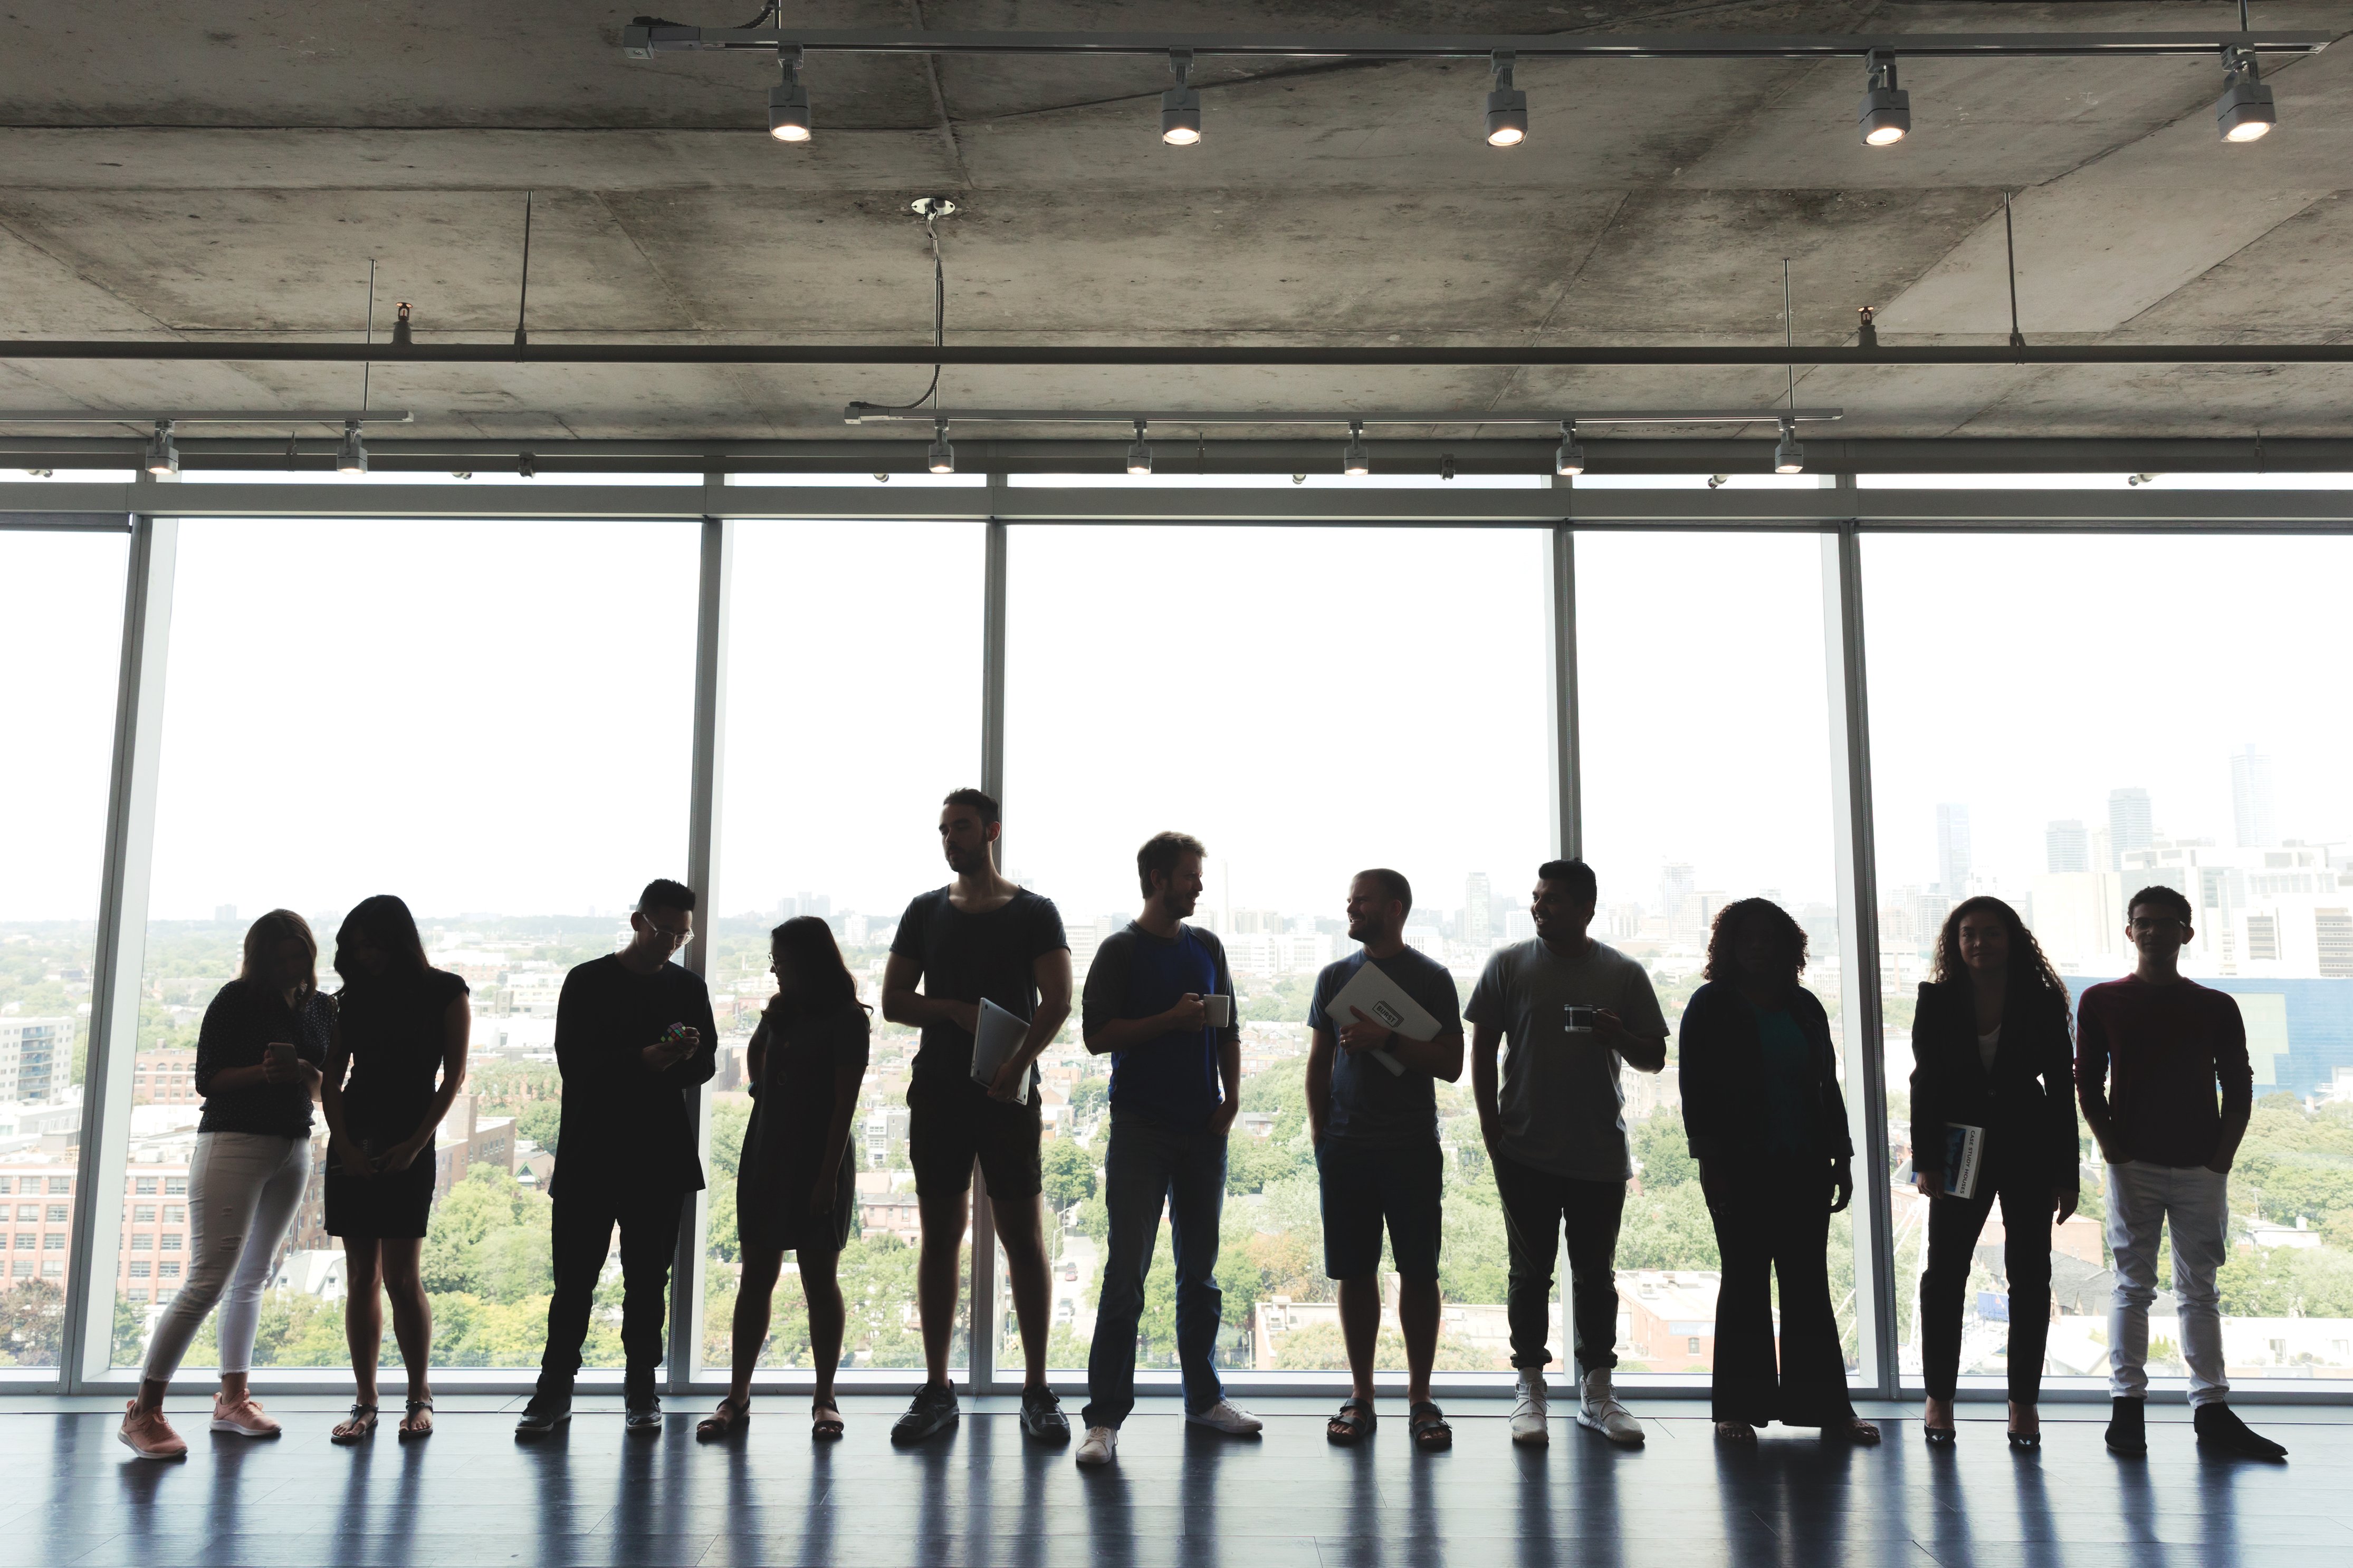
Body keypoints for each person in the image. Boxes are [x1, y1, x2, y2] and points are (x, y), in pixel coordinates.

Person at [882, 788, 1073, 1445]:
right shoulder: (923, 911)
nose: (949, 840)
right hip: (938, 1089)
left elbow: (1058, 1001)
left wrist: (1017, 1064)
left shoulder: (1035, 912)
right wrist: (957, 1012)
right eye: (942, 831)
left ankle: (1037, 1389)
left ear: (991, 830)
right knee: (940, 1237)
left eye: (960, 828)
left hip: (1007, 1092)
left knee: (1023, 1238)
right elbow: (894, 1002)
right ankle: (938, 1389)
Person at [1074, 832, 1261, 1468]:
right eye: (1188, 876)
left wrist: (1231, 1098)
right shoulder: (1119, 951)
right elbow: (1096, 1036)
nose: (1198, 887)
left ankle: (1204, 1401)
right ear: (1156, 878)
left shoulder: (1207, 946)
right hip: (1140, 1129)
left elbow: (1228, 1026)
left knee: (1199, 1276)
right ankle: (1102, 1420)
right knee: (1125, 1275)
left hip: (1202, 1129)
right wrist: (1167, 1022)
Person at [1467, 859, 1668, 1449]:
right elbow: (1479, 1051)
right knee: (1528, 1275)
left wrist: (1620, 1038)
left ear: (1586, 909)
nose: (1538, 906)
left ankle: (1596, 1392)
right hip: (1523, 1149)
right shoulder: (1507, 965)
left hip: (1599, 1153)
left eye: (1552, 899)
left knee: (1594, 1277)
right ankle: (1529, 1388)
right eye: (1536, 896)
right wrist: (1490, 1129)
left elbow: (1653, 1057)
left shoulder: (1623, 973)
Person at [2078, 885, 2284, 1460]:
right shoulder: (2099, 1001)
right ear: (2128, 932)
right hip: (2132, 1164)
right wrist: (2114, 1153)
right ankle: (2126, 1411)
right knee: (2131, 1286)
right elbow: (2086, 1083)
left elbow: (2238, 1084)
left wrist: (2221, 1158)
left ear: (2185, 934)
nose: (2151, 931)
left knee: (2199, 1291)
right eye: (2141, 922)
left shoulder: (2215, 1006)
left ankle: (2211, 1412)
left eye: (2164, 923)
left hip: (2200, 1164)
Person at [118, 910, 329, 1459]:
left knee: (254, 1275)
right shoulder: (235, 1001)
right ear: (260, 958)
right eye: (281, 957)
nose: (293, 965)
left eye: (300, 954)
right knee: (209, 1278)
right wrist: (264, 1073)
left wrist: (304, 1074)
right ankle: (143, 1412)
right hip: (233, 1143)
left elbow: (328, 1090)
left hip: (294, 1146)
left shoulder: (320, 1007)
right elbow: (206, 1079)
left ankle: (234, 1399)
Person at [516, 879, 717, 1437]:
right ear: (637, 922)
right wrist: (648, 1060)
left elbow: (705, 1068)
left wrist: (684, 1056)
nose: (674, 942)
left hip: (656, 1153)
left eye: (683, 934)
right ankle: (554, 1390)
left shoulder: (687, 987)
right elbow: (575, 1065)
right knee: (574, 1279)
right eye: (665, 931)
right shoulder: (586, 981)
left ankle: (640, 1389)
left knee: (648, 1279)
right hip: (593, 1150)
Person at [1680, 898, 1878, 1445]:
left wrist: (1841, 1156)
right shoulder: (1709, 1005)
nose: (1758, 945)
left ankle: (1829, 1411)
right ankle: (1735, 1412)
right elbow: (1694, 1091)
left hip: (1804, 1166)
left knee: (1807, 1286)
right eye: (1747, 937)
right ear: (1729, 946)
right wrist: (1708, 1164)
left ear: (1788, 946)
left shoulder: (1805, 1007)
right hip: (1739, 1169)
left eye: (1769, 937)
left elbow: (1826, 1084)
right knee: (1743, 1283)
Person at [1908, 897, 2077, 1449]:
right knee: (1944, 1276)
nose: (1979, 942)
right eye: (1967, 934)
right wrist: (1926, 1159)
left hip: (2027, 1144)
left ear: (2012, 938)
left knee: (2029, 1276)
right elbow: (1924, 1081)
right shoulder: (1935, 1000)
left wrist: (2066, 1172)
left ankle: (2022, 1407)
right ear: (1954, 944)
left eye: (1990, 932)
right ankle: (1938, 1400)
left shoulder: (2042, 999)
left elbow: (2058, 1087)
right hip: (1957, 1147)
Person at [1307, 869, 1464, 1453]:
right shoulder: (1331, 978)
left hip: (1410, 1147)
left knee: (1419, 1272)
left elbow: (1450, 1063)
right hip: (1345, 1148)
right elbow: (1318, 1063)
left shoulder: (1432, 978)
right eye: (1349, 901)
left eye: (1361, 902)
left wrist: (1387, 1039)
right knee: (1353, 1271)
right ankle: (1362, 1394)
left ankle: (1420, 1397)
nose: (1351, 909)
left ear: (1394, 909)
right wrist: (1322, 1137)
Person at [699, 917, 870, 1444]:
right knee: (756, 1277)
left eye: (779, 957)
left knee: (820, 1280)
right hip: (768, 1154)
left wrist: (826, 1180)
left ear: (806, 960)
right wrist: (762, 1094)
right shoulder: (780, 1010)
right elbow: (755, 1055)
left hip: (820, 1160)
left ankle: (825, 1400)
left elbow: (844, 1105)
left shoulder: (847, 1019)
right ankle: (737, 1396)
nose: (772, 966)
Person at [318, 894, 472, 1444]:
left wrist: (413, 1145)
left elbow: (451, 1079)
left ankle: (419, 1396)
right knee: (361, 1276)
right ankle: (365, 1401)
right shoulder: (348, 1001)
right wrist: (345, 1146)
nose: (365, 956)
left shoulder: (446, 991)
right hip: (353, 1137)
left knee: (403, 1278)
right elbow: (330, 1081)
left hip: (412, 1135)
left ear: (397, 941)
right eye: (356, 948)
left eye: (374, 945)